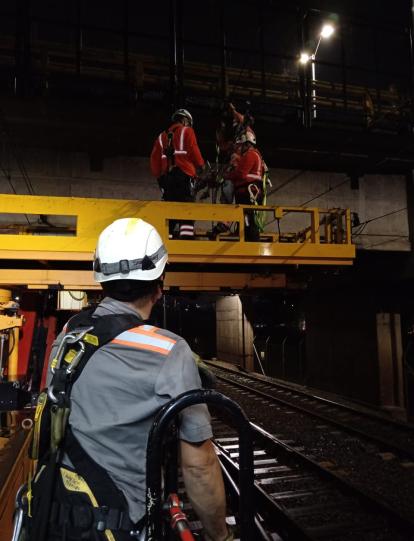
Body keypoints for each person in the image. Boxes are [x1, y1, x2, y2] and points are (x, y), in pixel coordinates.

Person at [37, 217, 231, 541]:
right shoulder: (170, 350)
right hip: (121, 526)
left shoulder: (70, 334)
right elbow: (198, 466)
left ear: (101, 280)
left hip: (58, 513)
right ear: (160, 284)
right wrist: (220, 536)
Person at [150, 109, 205, 239]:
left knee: (170, 210)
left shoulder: (161, 137)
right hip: (184, 177)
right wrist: (201, 165)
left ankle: (165, 237)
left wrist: (160, 177)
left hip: (167, 179)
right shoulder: (187, 131)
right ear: (185, 120)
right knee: (186, 210)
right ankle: (186, 238)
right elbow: (193, 149)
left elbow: (154, 160)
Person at [224, 131, 265, 242]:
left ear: (247, 144)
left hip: (247, 193)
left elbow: (240, 174)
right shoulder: (254, 155)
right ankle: (250, 240)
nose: (239, 148)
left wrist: (227, 176)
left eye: (241, 145)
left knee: (248, 220)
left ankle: (252, 243)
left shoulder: (250, 155)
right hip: (248, 192)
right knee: (246, 220)